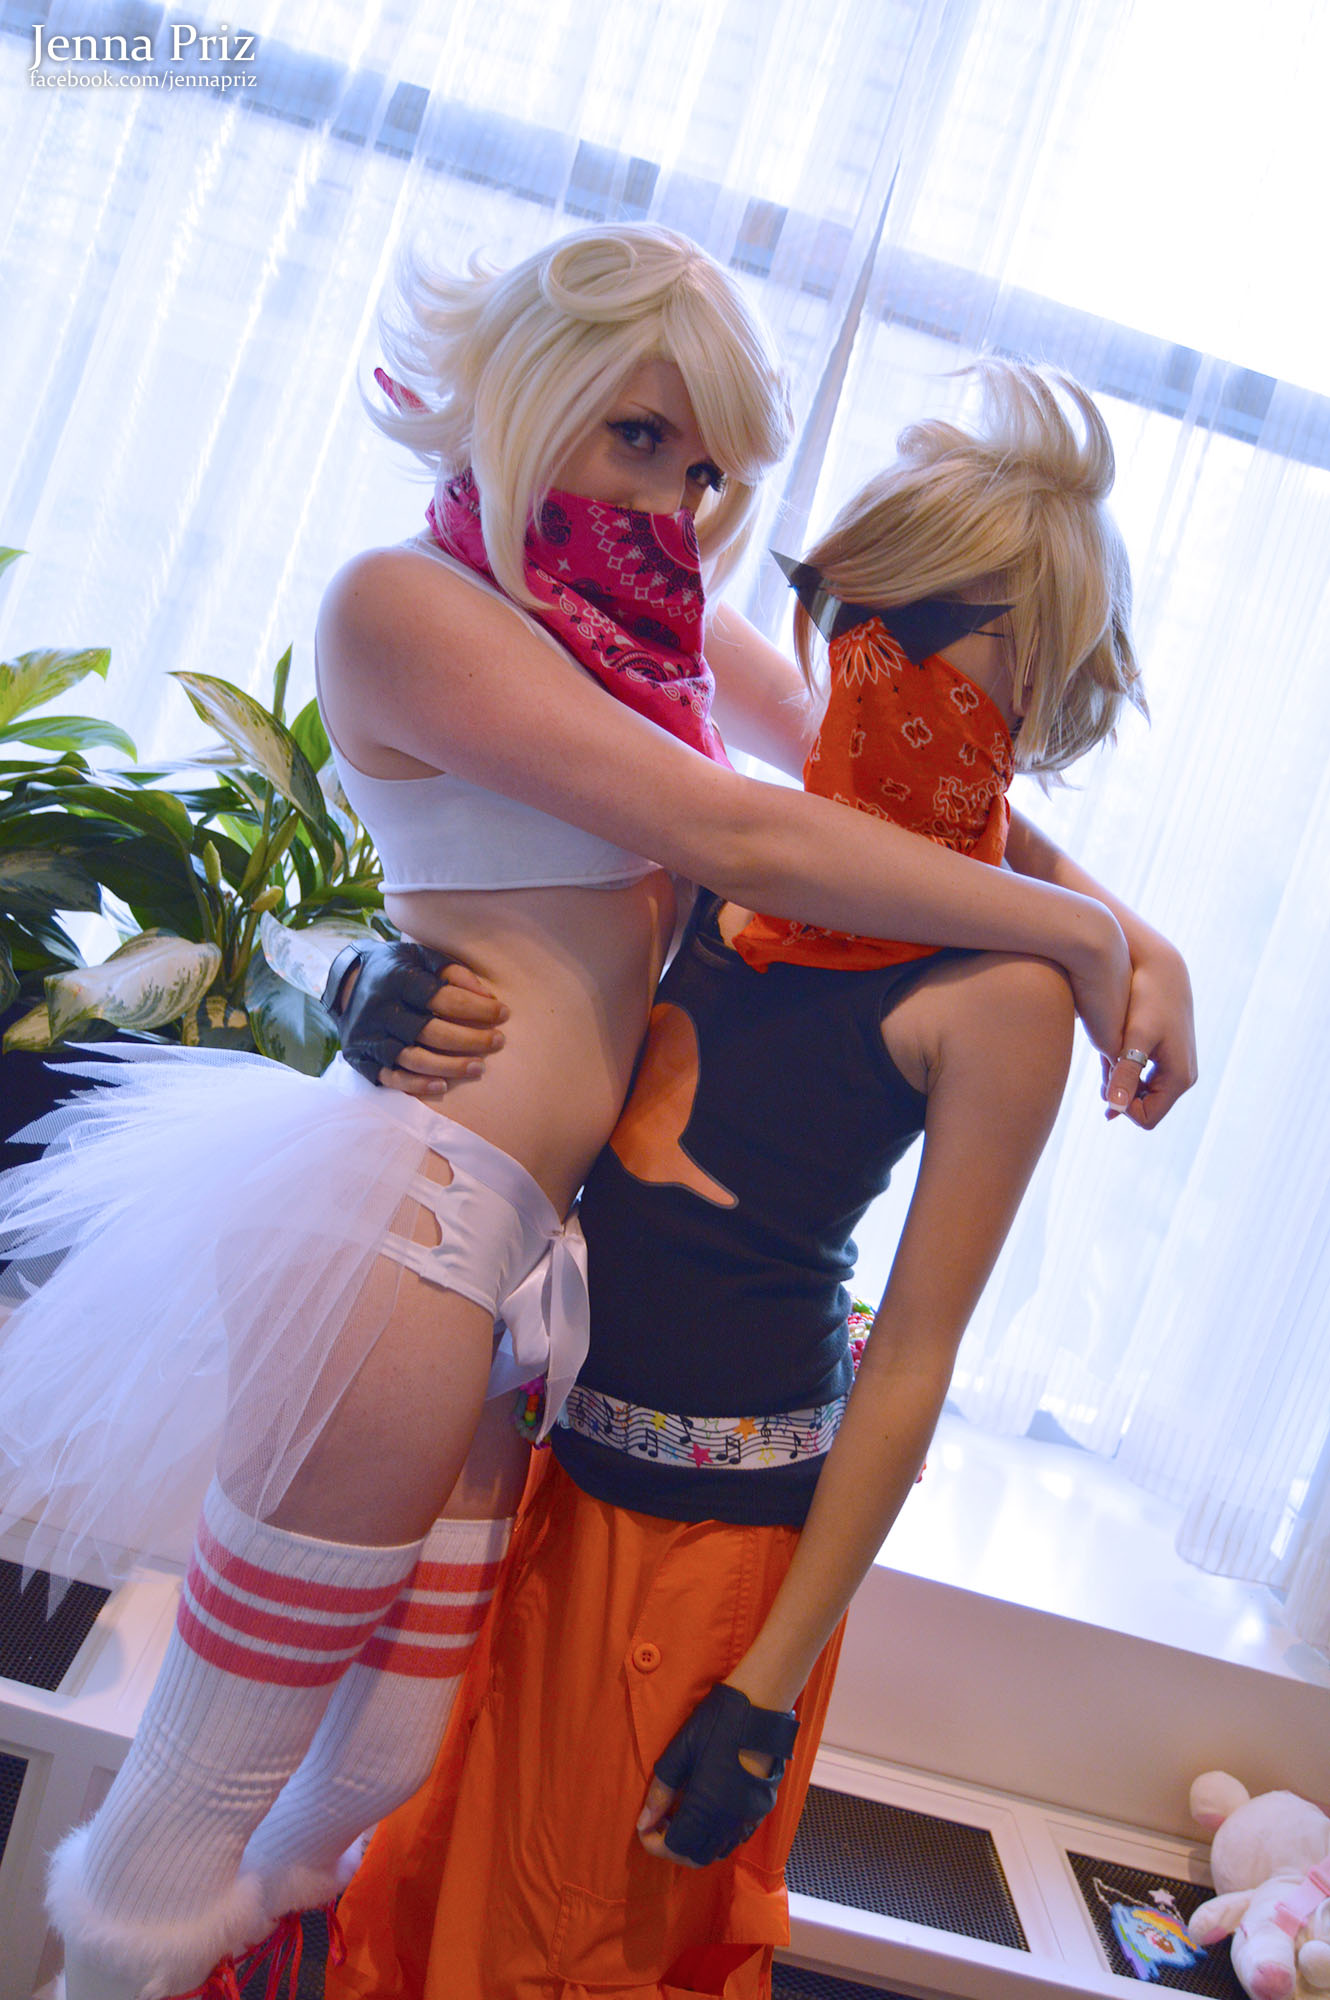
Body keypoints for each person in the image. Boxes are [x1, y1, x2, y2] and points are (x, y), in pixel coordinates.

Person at [0, 227, 1151, 2000]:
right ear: (526, 392)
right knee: (201, 1795)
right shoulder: (406, 604)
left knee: (374, 1769)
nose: (671, 501)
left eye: (703, 471)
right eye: (637, 436)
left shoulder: (645, 632)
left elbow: (872, 775)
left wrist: (1126, 928)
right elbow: (743, 831)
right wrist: (1086, 937)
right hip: (416, 1217)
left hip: (519, 1273)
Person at [326, 361, 1196, 2000]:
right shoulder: (728, 849)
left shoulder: (1002, 997)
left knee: (563, 1954)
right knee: (416, 1895)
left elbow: (914, 1354)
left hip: (711, 1546)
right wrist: (364, 986)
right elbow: (512, 942)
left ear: (1035, 678)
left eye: (929, 631)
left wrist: (769, 1689)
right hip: (533, 1473)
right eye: (847, 611)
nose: (867, 660)